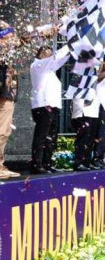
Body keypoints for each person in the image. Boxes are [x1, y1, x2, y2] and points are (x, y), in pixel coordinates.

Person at [30, 44, 71, 174]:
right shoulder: (38, 66)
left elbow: (61, 60)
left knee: (51, 137)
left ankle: (47, 163)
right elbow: (55, 58)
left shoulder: (49, 70)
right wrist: (70, 44)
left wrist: (73, 49)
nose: (50, 55)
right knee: (42, 136)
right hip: (43, 106)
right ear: (40, 54)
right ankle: (37, 163)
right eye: (47, 53)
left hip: (53, 106)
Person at [0, 21, 20, 178]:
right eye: (9, 37)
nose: (13, 40)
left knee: (5, 131)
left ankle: (0, 164)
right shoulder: (2, 51)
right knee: (2, 131)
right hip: (3, 96)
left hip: (7, 95)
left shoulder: (8, 52)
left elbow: (21, 41)